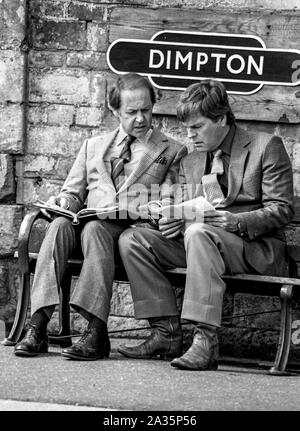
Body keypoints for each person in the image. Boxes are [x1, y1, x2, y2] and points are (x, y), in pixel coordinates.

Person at [117, 79, 294, 370]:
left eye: (197, 127)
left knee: (199, 232)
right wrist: (174, 221)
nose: (190, 136)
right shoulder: (191, 158)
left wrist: (236, 221)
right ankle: (166, 333)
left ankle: (205, 340)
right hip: (200, 242)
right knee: (133, 240)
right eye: (187, 129)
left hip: (252, 248)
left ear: (222, 118)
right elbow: (188, 208)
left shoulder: (266, 146)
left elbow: (282, 209)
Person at [14, 72, 187, 360]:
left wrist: (156, 209)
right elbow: (73, 192)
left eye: (146, 110)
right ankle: (38, 325)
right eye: (132, 112)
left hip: (129, 237)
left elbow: (171, 200)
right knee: (58, 225)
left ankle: (96, 331)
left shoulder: (171, 150)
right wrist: (64, 201)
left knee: (95, 229)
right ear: (115, 110)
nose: (141, 118)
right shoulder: (93, 146)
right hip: (84, 229)